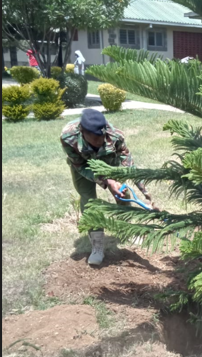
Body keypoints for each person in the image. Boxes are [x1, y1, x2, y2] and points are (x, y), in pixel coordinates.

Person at [60, 109, 156, 266]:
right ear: (83, 132)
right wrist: (106, 180)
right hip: (83, 165)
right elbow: (79, 165)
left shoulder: (115, 135)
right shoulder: (68, 137)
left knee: (122, 192)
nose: (100, 141)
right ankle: (97, 245)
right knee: (89, 200)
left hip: (109, 161)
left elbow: (128, 164)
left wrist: (146, 194)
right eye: (95, 138)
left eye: (102, 136)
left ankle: (127, 230)